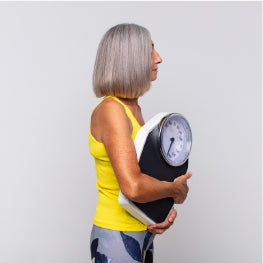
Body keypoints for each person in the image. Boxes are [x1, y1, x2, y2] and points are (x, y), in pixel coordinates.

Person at [89, 23, 192, 263]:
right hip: (116, 234)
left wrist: (163, 210)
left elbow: (145, 179)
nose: (159, 58)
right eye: (150, 51)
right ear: (129, 59)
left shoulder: (132, 109)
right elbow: (133, 187)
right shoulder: (112, 110)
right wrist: (172, 189)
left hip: (142, 231)